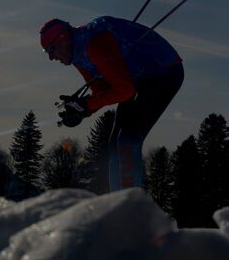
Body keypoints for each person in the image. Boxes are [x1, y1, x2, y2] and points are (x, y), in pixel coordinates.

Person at [39, 16, 184, 191]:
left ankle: (129, 206)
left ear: (64, 39)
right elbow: (101, 91)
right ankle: (118, 201)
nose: (51, 58)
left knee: (127, 140)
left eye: (51, 50)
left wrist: (86, 105)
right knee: (115, 141)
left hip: (164, 72)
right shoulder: (77, 55)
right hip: (137, 77)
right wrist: (81, 110)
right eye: (47, 52)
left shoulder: (94, 44)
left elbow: (124, 91)